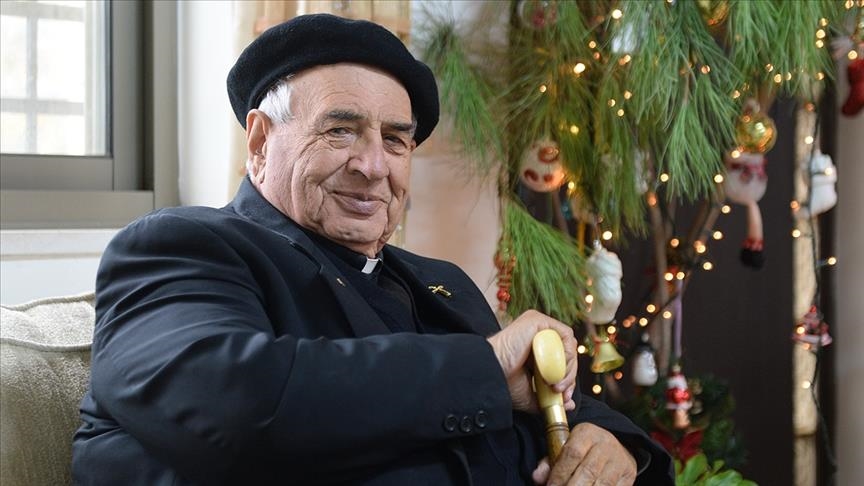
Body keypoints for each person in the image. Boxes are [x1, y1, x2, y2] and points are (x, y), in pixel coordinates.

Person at [72, 13, 673, 485]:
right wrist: (486, 368)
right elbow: (231, 404)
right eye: (340, 131)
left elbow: (545, 398)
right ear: (259, 142)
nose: (374, 166)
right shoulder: (180, 248)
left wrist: (616, 444)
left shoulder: (441, 282)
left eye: (395, 140)